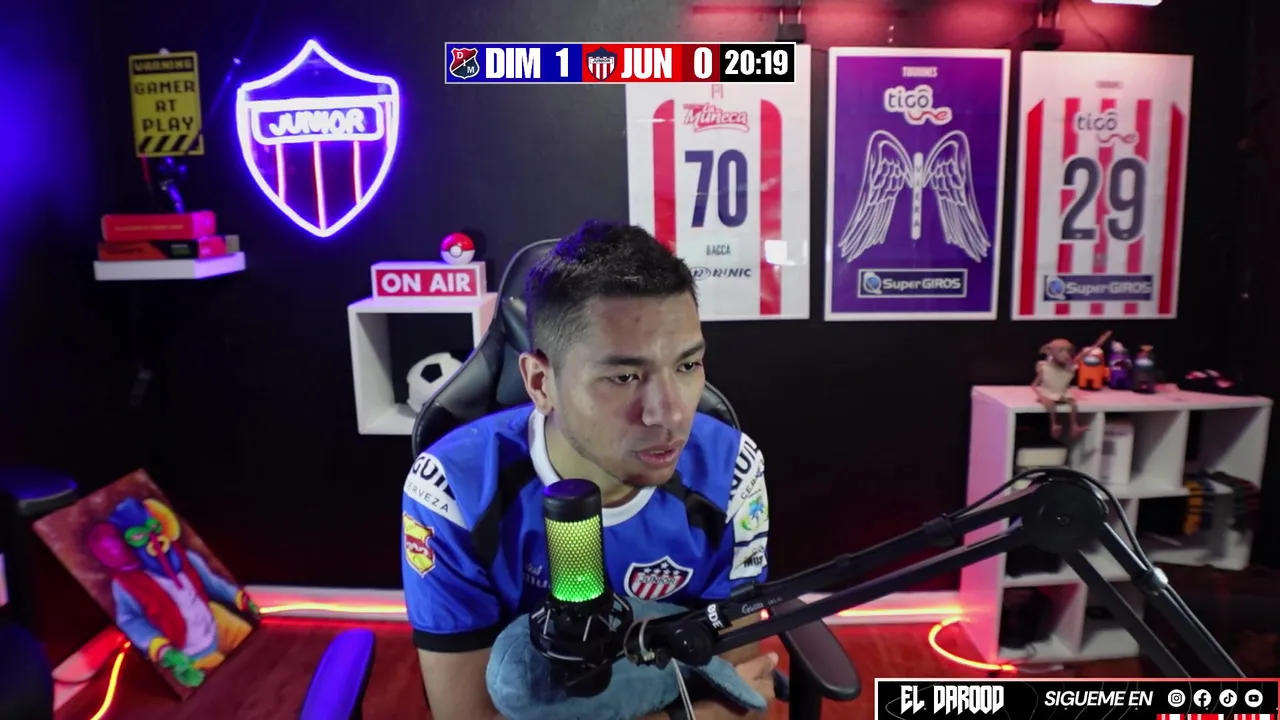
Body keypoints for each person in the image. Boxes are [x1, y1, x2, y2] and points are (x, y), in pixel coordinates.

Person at [401, 221, 776, 720]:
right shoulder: (452, 488)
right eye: (624, 376)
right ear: (541, 382)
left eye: (687, 366)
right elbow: (468, 716)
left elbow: (743, 688)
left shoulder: (731, 469)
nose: (670, 413)